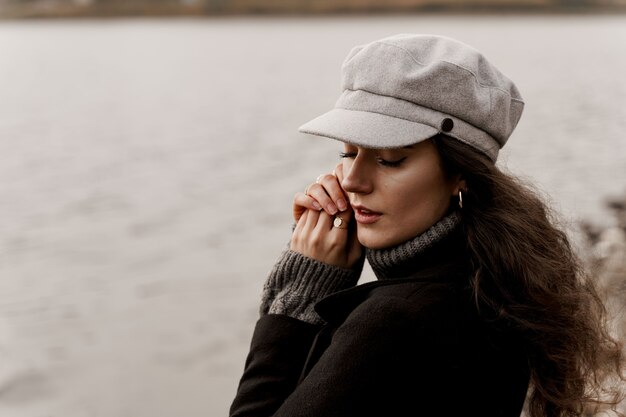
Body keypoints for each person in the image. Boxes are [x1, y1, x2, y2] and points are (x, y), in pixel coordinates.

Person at [229, 34, 624, 417]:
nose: (351, 180)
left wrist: (298, 300)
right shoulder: (491, 279)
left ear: (460, 173)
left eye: (389, 160)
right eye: (347, 153)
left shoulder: (395, 321)